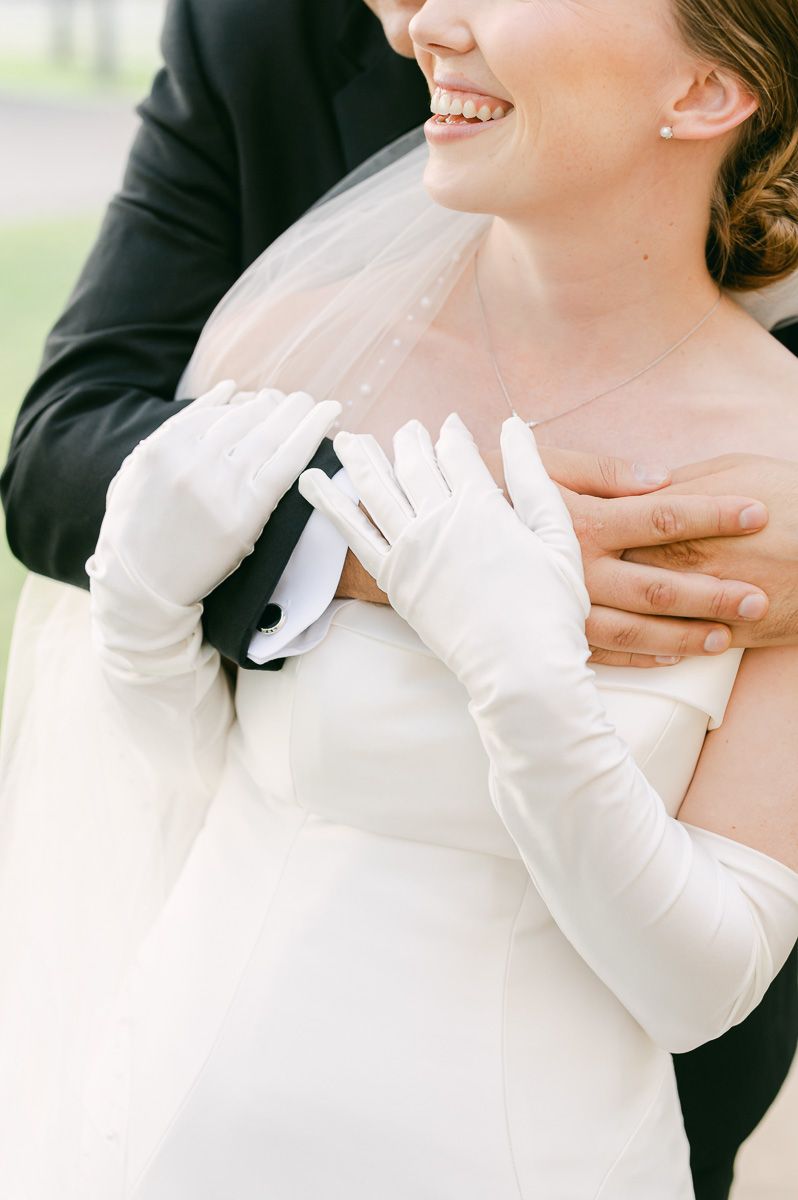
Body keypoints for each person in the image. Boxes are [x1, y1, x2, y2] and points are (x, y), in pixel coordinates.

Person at [0, 2, 797, 1197]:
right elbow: (185, 785)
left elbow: (700, 981)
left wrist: (526, 682)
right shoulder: (300, 339)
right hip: (185, 1127)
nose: (422, 25)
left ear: (702, 93)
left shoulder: (770, 481)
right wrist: (159, 610)